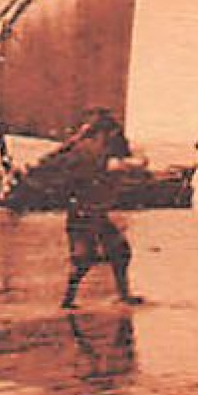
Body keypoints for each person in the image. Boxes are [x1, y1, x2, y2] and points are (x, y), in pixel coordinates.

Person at [55, 108, 142, 309]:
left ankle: (122, 295)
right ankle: (68, 301)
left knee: (119, 251)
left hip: (91, 213)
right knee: (86, 259)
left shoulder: (84, 149)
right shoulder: (91, 154)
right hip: (84, 214)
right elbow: (134, 163)